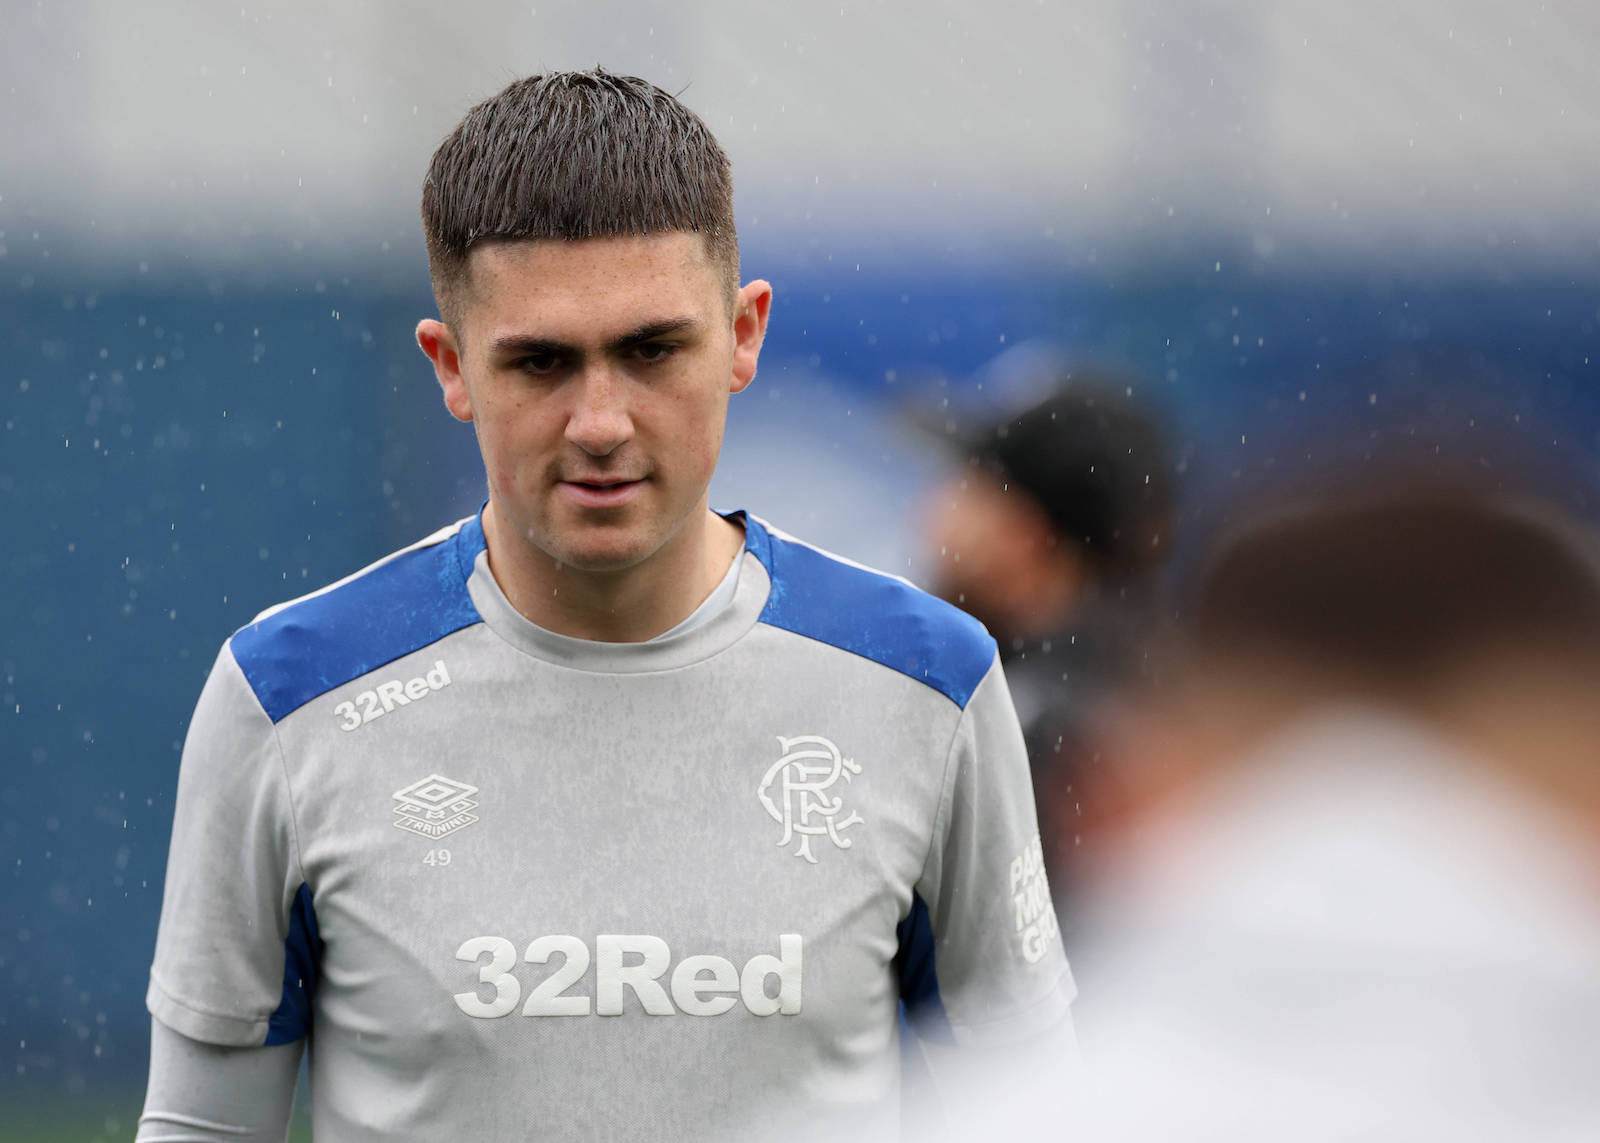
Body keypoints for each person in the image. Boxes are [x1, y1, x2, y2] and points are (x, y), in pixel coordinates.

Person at [137, 70, 1072, 1141]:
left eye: (650, 350)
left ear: (743, 336)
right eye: (539, 362)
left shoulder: (926, 682)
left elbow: (1032, 1117)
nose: (599, 421)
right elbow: (203, 1129)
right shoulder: (287, 697)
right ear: (451, 367)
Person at [922, 380, 1172, 895]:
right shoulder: (1134, 678)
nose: (936, 509)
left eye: (970, 485)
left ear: (1024, 531)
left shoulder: (1038, 722)